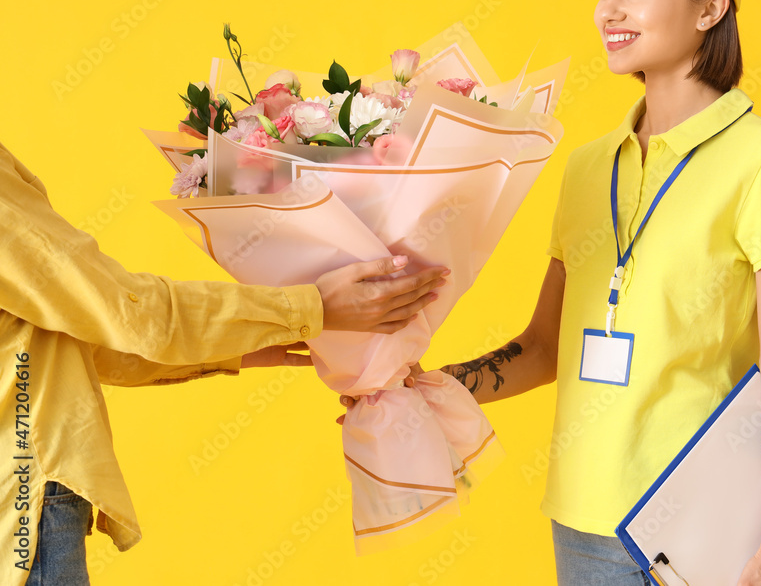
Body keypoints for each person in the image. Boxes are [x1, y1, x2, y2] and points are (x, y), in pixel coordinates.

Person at [342, 0, 761, 584]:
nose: (610, 9)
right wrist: (421, 386)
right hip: (581, 521)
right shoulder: (585, 166)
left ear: (710, 9)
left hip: (703, 520)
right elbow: (545, 347)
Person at [0, 140, 448, 586]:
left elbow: (78, 334)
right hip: (22, 494)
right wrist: (309, 308)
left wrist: (239, 341)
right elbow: (126, 311)